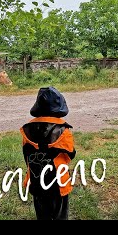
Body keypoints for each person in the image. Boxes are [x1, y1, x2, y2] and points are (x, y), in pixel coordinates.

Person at [20, 86, 76, 220]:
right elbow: (70, 155)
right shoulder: (64, 130)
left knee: (42, 214)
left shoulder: (27, 129)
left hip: (36, 179)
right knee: (60, 215)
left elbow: (26, 154)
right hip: (58, 183)